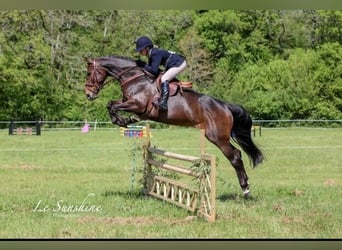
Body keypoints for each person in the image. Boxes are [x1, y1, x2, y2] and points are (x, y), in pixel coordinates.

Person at [135, 36, 187, 111]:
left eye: (141, 50)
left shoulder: (155, 53)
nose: (139, 52)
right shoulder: (151, 53)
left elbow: (154, 71)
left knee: (164, 78)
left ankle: (164, 103)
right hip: (173, 64)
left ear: (147, 48)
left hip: (179, 63)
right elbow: (151, 71)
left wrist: (143, 65)